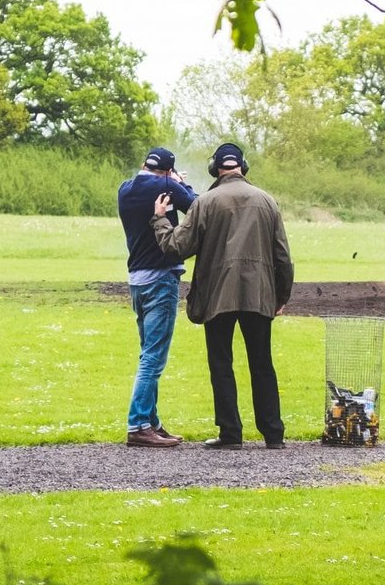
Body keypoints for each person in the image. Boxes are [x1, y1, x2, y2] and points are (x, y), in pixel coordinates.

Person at [152, 142, 293, 450]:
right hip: (259, 295)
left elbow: (177, 247)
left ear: (215, 169)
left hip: (217, 295)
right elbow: (282, 256)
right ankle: (274, 434)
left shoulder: (206, 202)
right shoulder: (267, 201)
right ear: (243, 167)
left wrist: (160, 218)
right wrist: (281, 295)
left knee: (221, 363)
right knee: (262, 364)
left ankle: (230, 433)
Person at [116, 147, 196, 447]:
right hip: (161, 278)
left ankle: (152, 421)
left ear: (144, 165)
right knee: (153, 358)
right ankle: (138, 425)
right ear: (167, 171)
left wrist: (172, 182)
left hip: (136, 280)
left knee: (147, 352)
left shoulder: (125, 189)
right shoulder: (166, 186)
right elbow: (201, 208)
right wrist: (181, 185)